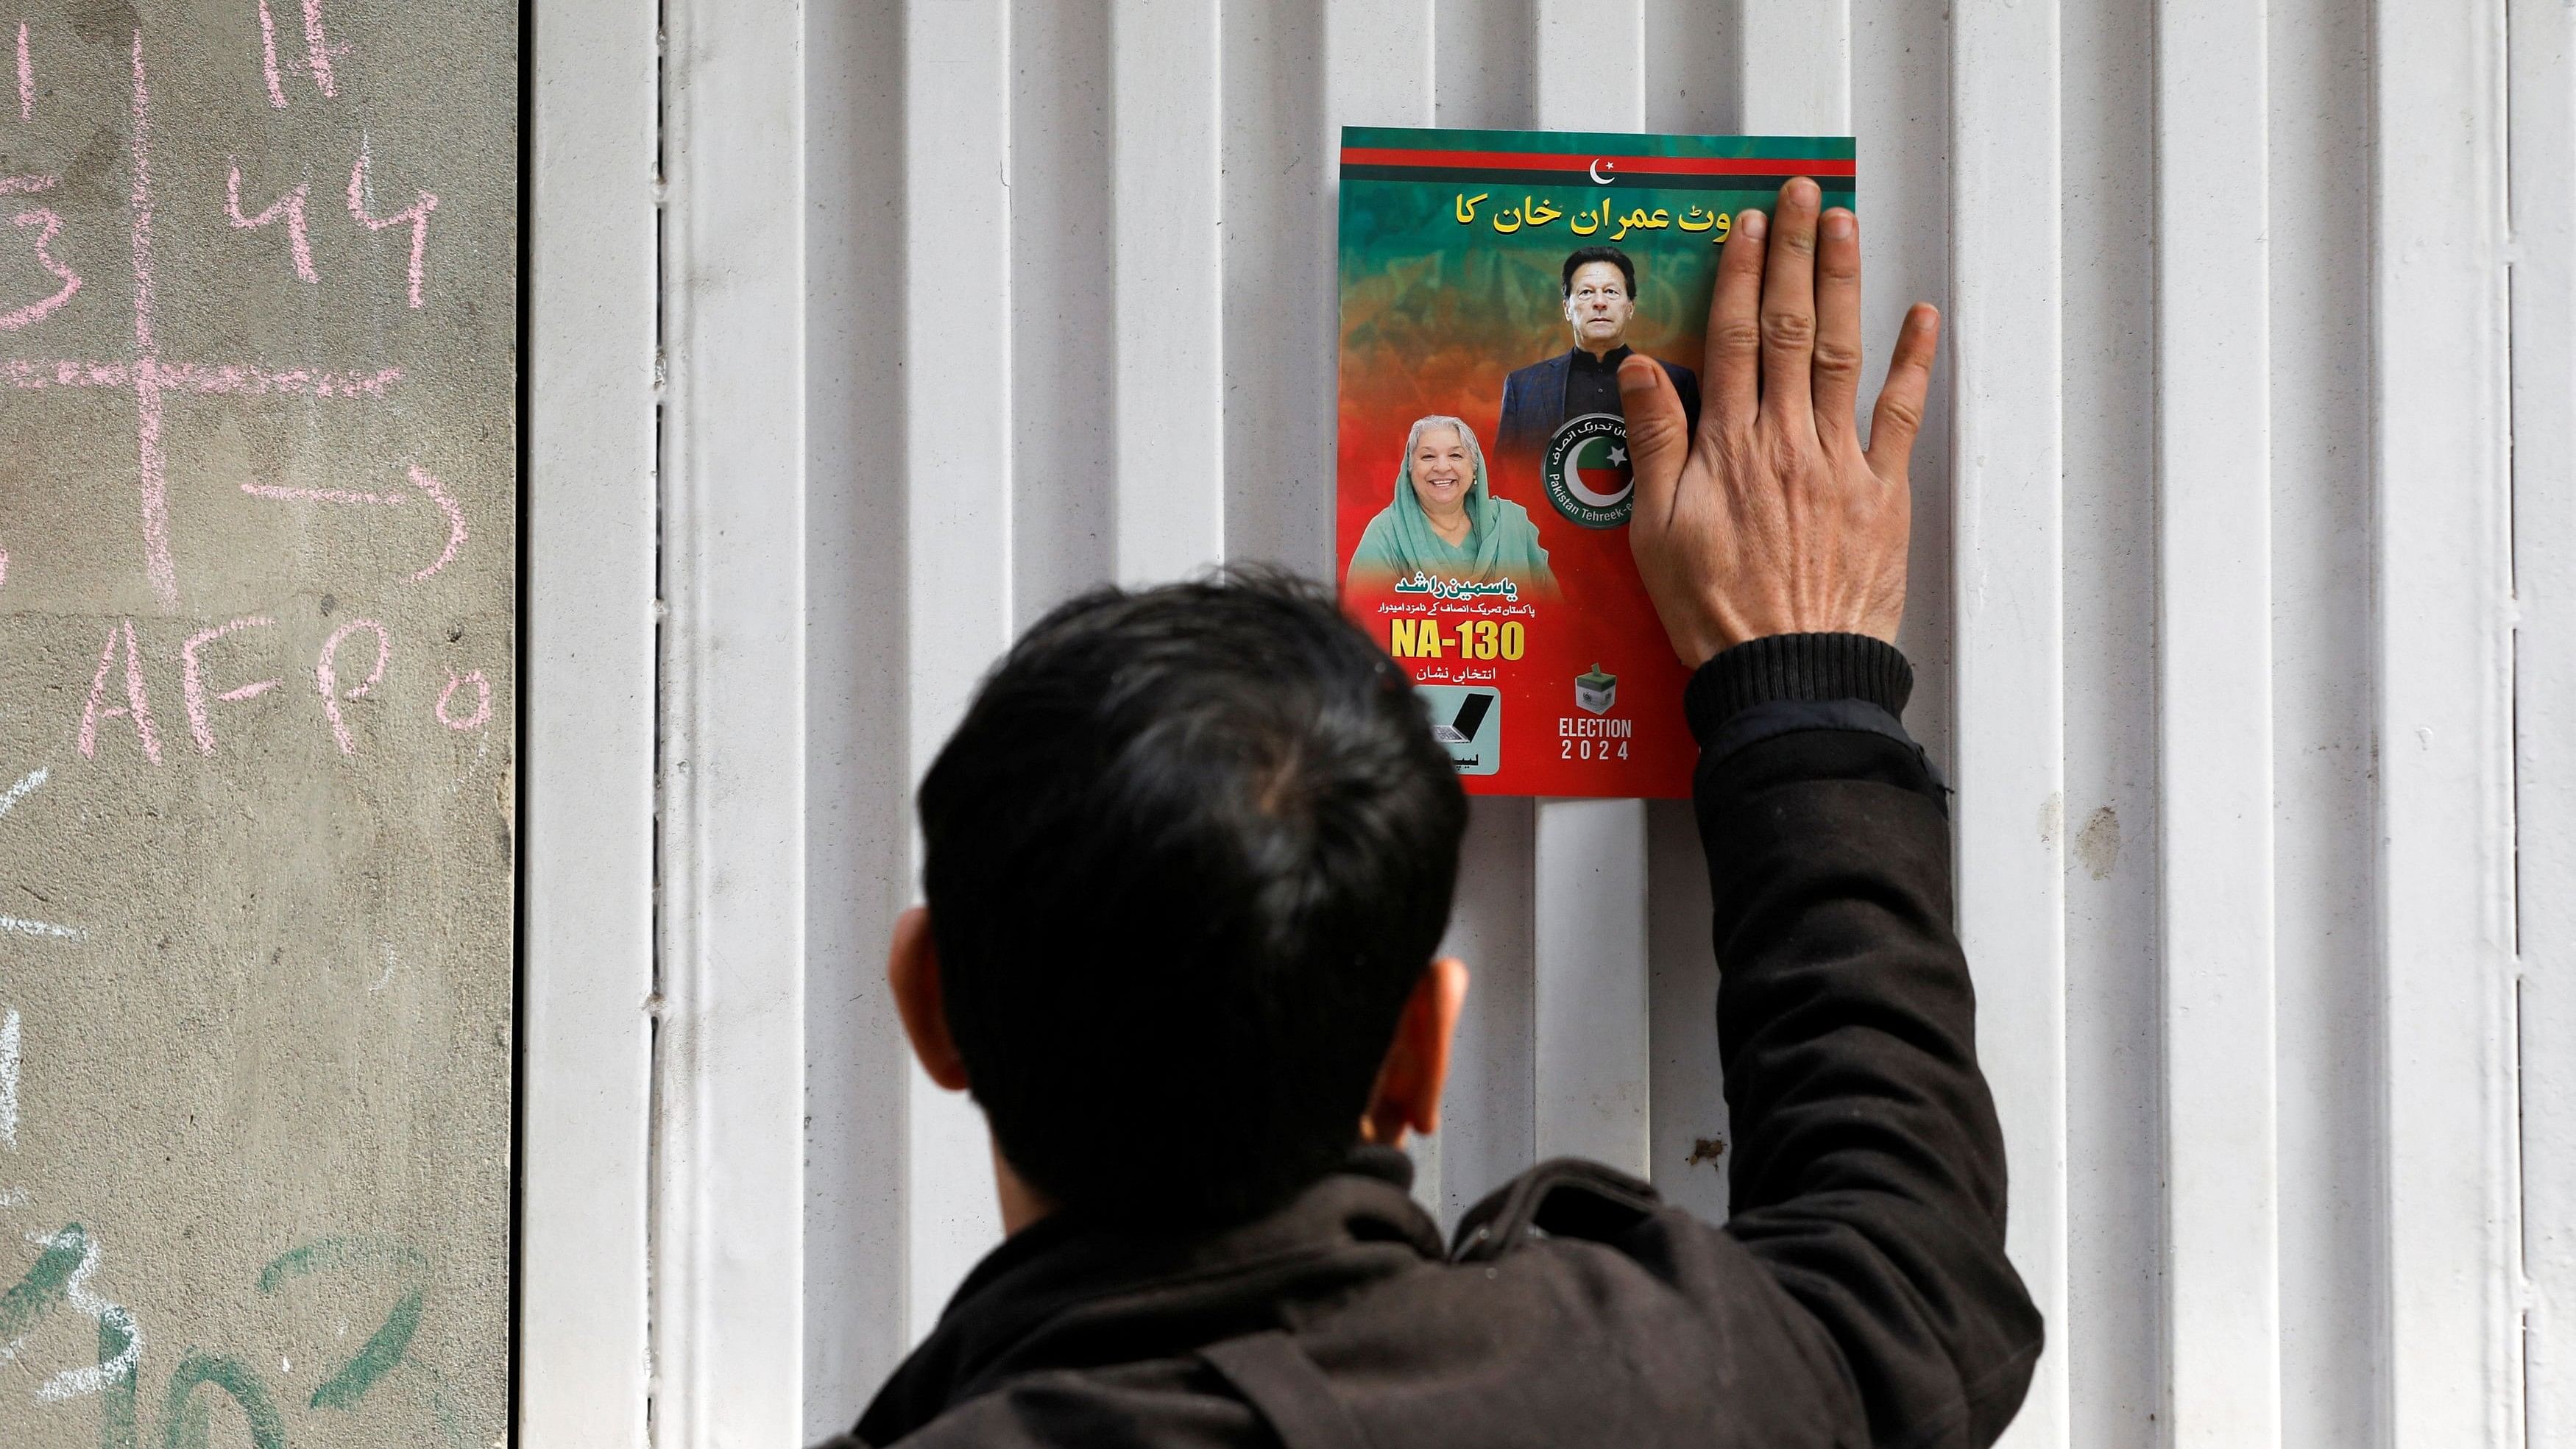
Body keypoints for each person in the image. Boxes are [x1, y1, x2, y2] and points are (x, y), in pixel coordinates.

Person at [824, 178, 2039, 1448]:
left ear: (929, 997)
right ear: (1422, 1046)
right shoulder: (1651, 1396)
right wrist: (1802, 685)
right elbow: (1905, 1278)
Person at [1495, 244, 1703, 458]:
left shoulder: (1677, 383)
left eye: (1611, 292)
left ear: (1630, 307)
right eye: (1586, 292)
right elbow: (1502, 479)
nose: (1600, 303)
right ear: (1567, 309)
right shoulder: (1523, 388)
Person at [1344, 414, 1557, 594]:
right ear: (1409, 469)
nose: (1442, 466)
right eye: (1428, 456)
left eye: (1455, 455)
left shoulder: (1512, 526)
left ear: (1474, 468)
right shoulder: (1386, 533)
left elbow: (1552, 615)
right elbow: (1364, 625)